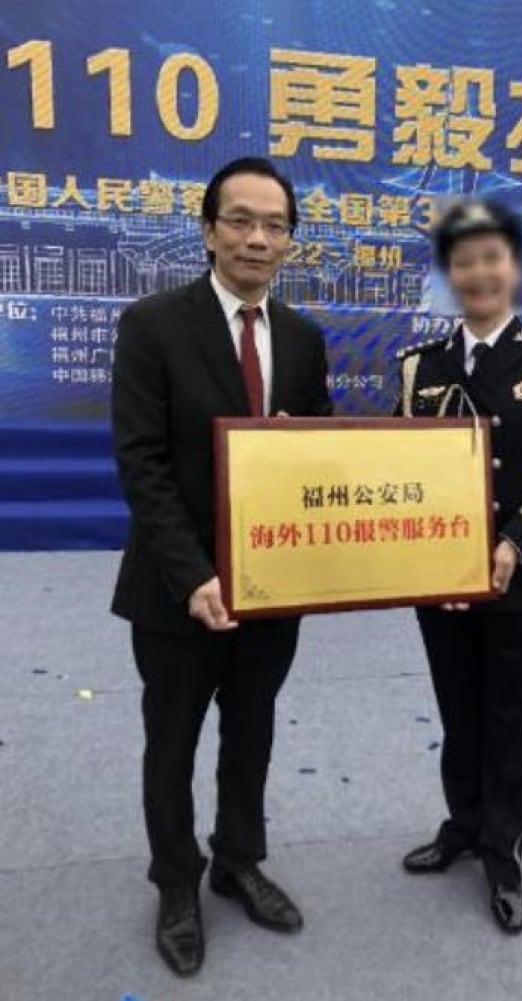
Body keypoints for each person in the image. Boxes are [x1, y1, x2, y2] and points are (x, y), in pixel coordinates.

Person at [111, 157, 332, 976]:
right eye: (240, 220)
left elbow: (321, 455)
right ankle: (176, 883)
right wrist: (192, 572)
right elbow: (141, 464)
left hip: (273, 588)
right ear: (208, 231)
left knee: (252, 728)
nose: (257, 238)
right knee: (170, 742)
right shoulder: (152, 324)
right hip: (179, 590)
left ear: (289, 243)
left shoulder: (305, 339)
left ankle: (239, 859)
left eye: (274, 225)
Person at [396, 198, 522, 934]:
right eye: (463, 261)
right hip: (441, 586)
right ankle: (462, 823)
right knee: (458, 712)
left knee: (507, 719)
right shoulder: (420, 369)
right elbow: (400, 473)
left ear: (514, 270)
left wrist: (513, 539)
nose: (478, 273)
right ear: (449, 275)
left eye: (492, 259)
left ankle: (503, 847)